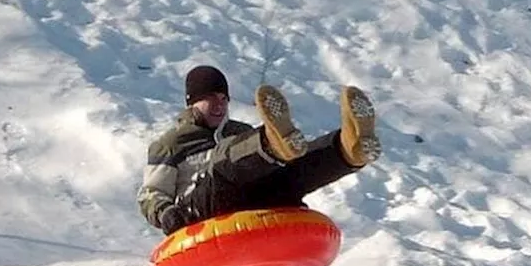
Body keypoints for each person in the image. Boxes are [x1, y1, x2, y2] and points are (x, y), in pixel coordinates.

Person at [137, 65, 382, 235]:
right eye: (211, 98)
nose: (219, 105)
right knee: (223, 165)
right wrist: (166, 213)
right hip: (198, 215)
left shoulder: (239, 131)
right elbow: (151, 192)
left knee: (289, 172)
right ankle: (271, 144)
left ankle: (348, 149)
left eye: (224, 99)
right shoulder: (171, 143)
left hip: (247, 207)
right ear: (192, 101)